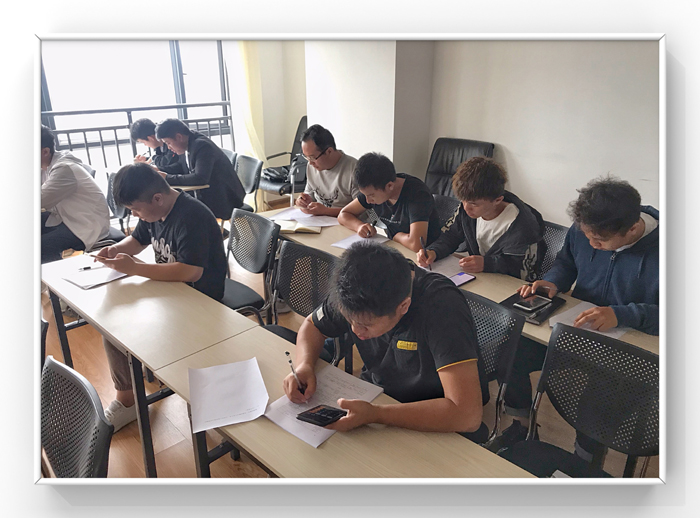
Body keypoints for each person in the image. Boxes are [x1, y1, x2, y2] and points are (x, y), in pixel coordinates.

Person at [508, 176, 659, 461]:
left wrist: (622, 314)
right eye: (587, 236)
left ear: (633, 228)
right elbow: (566, 262)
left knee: (596, 405)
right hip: (578, 328)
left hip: (630, 344)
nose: (591, 244)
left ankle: (584, 461)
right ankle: (522, 426)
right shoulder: (586, 228)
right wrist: (553, 281)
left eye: (599, 241)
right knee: (512, 351)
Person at [282, 242, 487, 439]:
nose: (355, 330)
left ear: (403, 306)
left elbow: (466, 414)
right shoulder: (353, 287)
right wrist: (304, 365)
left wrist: (377, 414)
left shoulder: (442, 307)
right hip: (379, 395)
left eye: (365, 325)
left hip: (433, 414)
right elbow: (312, 325)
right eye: (349, 320)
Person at [93, 163, 228, 431]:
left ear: (157, 198)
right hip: (170, 291)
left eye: (136, 209)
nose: (135, 215)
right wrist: (116, 250)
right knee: (112, 323)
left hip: (200, 299)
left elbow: (190, 271)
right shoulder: (154, 212)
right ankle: (128, 399)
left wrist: (134, 268)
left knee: (125, 323)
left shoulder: (192, 215)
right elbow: (137, 241)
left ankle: (135, 396)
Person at [417, 157, 545, 281]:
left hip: (509, 286)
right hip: (480, 279)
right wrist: (433, 251)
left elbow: (524, 271)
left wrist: (487, 264)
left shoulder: (523, 226)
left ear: (497, 200)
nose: (466, 208)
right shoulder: (467, 208)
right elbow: (452, 236)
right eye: (462, 200)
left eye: (474, 204)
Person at [338, 153, 441, 253]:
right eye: (365, 195)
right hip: (395, 247)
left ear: (390, 186)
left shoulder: (418, 195)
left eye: (371, 195)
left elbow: (416, 245)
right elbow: (343, 214)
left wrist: (397, 236)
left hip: (428, 255)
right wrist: (359, 226)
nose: (368, 200)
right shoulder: (372, 188)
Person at [40, 125, 110, 263]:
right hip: (69, 217)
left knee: (40, 247)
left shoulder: (63, 168)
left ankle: (53, 274)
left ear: (45, 152)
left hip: (86, 224)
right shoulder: (47, 165)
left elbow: (40, 200)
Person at [153, 118, 246, 222]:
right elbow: (181, 166)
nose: (169, 147)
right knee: (172, 204)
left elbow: (200, 178)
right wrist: (159, 170)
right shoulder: (188, 142)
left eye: (168, 143)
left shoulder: (202, 146)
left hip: (224, 198)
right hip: (209, 193)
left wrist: (167, 178)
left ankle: (203, 231)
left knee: (175, 207)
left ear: (179, 137)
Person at [294, 124, 359, 217]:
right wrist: (303, 200)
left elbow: (360, 209)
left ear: (329, 151)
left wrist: (326, 211)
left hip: (345, 221)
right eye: (306, 157)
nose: (310, 163)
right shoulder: (311, 166)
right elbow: (309, 194)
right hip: (319, 220)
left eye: (312, 157)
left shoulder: (354, 169)